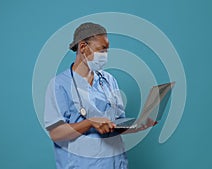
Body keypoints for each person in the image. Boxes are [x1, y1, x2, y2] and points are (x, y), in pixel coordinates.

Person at [44, 22, 155, 169]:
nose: (105, 56)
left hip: (115, 162)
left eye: (107, 51)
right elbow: (56, 133)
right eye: (101, 50)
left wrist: (136, 126)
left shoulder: (109, 80)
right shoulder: (59, 85)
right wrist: (89, 123)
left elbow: (118, 122)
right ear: (83, 47)